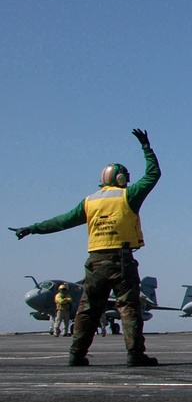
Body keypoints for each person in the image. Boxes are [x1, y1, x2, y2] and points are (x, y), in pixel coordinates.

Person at [10, 129, 160, 367]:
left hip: (95, 263)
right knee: (129, 307)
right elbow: (153, 175)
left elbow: (61, 221)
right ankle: (134, 354)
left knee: (87, 310)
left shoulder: (89, 202)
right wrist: (146, 147)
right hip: (121, 260)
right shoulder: (128, 196)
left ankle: (76, 355)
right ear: (121, 179)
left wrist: (32, 228)